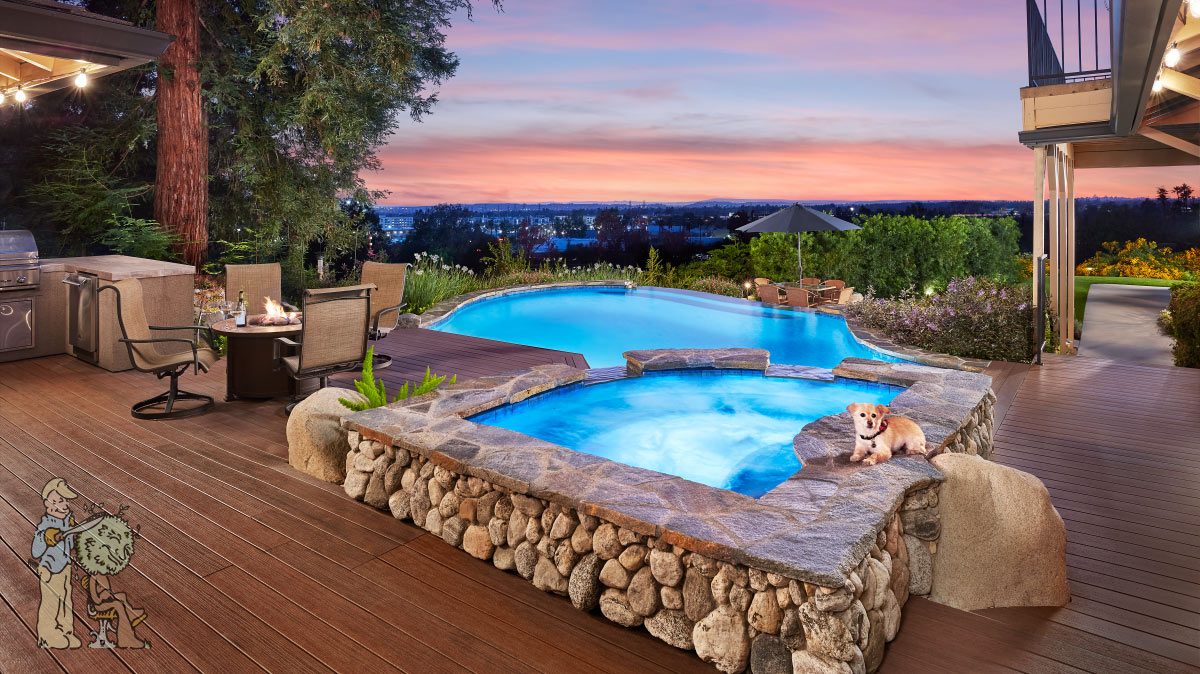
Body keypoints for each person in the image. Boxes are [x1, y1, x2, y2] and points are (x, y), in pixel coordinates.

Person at [31, 478, 81, 649]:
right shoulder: (46, 525)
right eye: (58, 501)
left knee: (66, 600)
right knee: (51, 602)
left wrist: (71, 533)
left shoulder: (66, 521)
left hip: (64, 566)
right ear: (47, 503)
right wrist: (46, 537)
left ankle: (66, 632)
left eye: (65, 500)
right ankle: (47, 635)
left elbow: (70, 546)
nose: (63, 504)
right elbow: (35, 551)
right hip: (50, 569)